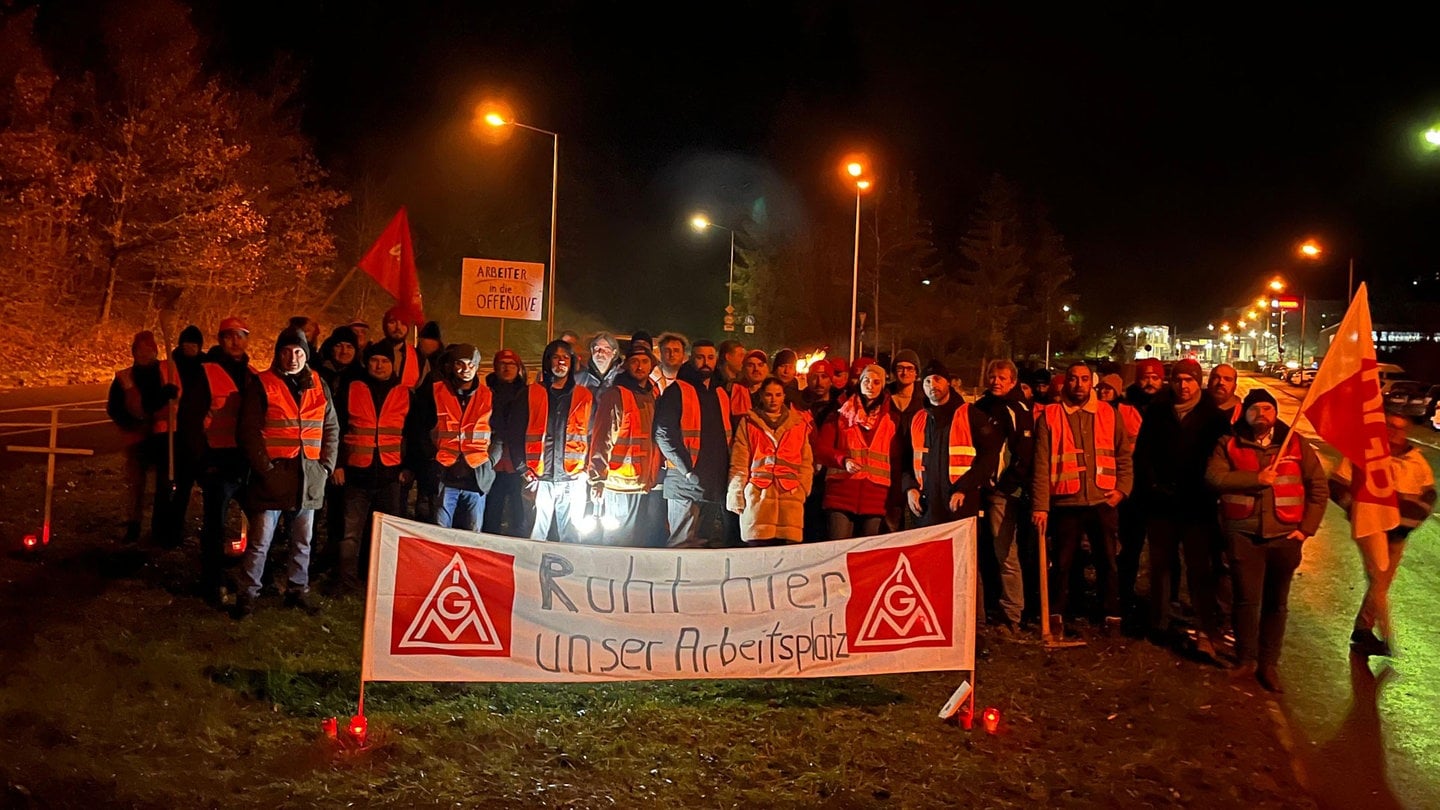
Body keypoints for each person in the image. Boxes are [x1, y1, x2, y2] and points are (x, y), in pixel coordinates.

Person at [1205, 388, 1327, 692]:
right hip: (1243, 533)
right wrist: (1255, 479)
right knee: (1246, 600)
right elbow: (1214, 479)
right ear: (1244, 413)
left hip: (1286, 535)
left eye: (1268, 409)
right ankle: (1246, 660)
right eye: (1255, 408)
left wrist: (1306, 529)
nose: (1262, 413)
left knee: (1277, 603)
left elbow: (1318, 489)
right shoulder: (1228, 443)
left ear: (1276, 414)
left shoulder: (1295, 445)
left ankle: (1269, 664)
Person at [234, 328, 339, 619]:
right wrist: (266, 469)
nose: (293, 358)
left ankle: (297, 589)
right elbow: (249, 432)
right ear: (278, 353)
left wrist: (326, 465)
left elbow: (331, 427)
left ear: (306, 355)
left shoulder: (319, 383)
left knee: (303, 541)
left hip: (309, 475)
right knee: (260, 542)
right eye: (287, 351)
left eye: (299, 352)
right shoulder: (263, 383)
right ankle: (248, 595)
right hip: (274, 477)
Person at [1134, 357, 1232, 658]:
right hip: (1162, 503)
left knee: (1199, 570)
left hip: (1197, 506)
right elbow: (1144, 453)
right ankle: (1159, 623)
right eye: (1178, 380)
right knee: (1161, 567)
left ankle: (1205, 628)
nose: (1183, 386)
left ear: (1197, 382)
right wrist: (1153, 485)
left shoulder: (1213, 417)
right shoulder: (1158, 412)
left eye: (1189, 380)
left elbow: (1221, 458)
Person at [1031, 362, 1134, 638]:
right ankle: (1056, 615)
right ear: (1066, 383)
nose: (1079, 384)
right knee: (1062, 564)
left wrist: (1122, 490)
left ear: (1092, 383)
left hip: (1103, 501)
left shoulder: (1109, 414)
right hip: (1066, 502)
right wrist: (1041, 505)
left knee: (1108, 561)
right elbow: (1041, 464)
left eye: (1084, 379)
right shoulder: (1050, 415)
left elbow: (1123, 455)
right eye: (1074, 379)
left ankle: (1111, 615)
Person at [1332, 408, 1436, 658]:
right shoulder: (1365, 454)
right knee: (1378, 579)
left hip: (1399, 533)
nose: (1393, 432)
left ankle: (1363, 629)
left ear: (1406, 430)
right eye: (1389, 425)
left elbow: (1429, 495)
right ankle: (1388, 637)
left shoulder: (1415, 461)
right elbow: (1337, 484)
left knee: (1383, 582)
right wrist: (1358, 510)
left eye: (1399, 427)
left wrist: (1407, 524)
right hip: (1371, 529)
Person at [332, 342, 412, 594]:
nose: (379, 365)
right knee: (350, 534)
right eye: (375, 360)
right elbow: (338, 428)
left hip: (390, 476)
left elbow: (411, 433)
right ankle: (346, 582)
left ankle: (384, 582)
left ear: (393, 364)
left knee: (388, 534)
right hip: (356, 474)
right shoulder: (351, 388)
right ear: (367, 363)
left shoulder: (405, 393)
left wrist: (408, 468)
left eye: (385, 361)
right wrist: (338, 465)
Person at [194, 317, 257, 606]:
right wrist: (202, 462)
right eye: (229, 336)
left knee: (259, 521)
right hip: (217, 461)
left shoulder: (253, 375)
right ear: (220, 340)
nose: (235, 341)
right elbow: (192, 421)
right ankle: (212, 580)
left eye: (240, 336)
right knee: (215, 526)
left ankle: (250, 576)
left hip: (246, 461)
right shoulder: (204, 372)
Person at [405, 344, 499, 530]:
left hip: (476, 477)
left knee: (472, 537)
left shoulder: (488, 395)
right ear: (452, 365)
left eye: (471, 365)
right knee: (441, 535)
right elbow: (419, 428)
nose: (466, 370)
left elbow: (500, 435)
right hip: (445, 476)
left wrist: (491, 460)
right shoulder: (435, 392)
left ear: (478, 366)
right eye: (460, 364)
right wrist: (432, 456)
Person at [900, 361, 1001, 527]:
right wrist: (910, 489)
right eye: (927, 381)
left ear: (948, 382)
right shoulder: (916, 419)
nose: (932, 385)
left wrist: (964, 488)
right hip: (926, 507)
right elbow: (905, 461)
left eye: (937, 379)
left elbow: (989, 456)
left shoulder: (970, 415)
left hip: (961, 504)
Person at [976, 359, 1035, 635]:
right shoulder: (979, 407)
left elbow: (1023, 454)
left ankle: (1013, 613)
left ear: (1012, 381)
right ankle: (980, 610)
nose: (996, 381)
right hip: (977, 491)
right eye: (992, 376)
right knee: (979, 553)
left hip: (1002, 494)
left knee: (1005, 554)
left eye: (1002, 377)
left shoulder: (1018, 410)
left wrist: (1006, 486)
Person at [654, 339, 732, 548]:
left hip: (712, 483)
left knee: (703, 546)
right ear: (690, 359)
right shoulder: (677, 390)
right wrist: (687, 470)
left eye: (710, 357)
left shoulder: (721, 394)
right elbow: (663, 433)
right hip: (684, 482)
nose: (705, 362)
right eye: (700, 357)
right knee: (682, 545)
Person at [588, 339, 664, 545]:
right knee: (618, 543)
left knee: (639, 543)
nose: (640, 366)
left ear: (652, 365)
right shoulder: (616, 395)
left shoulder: (653, 393)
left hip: (645, 482)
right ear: (626, 365)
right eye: (634, 362)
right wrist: (597, 479)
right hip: (618, 486)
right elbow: (601, 439)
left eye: (644, 361)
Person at [522, 340, 593, 543]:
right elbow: (517, 432)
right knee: (535, 534)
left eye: (565, 357)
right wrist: (523, 468)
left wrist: (587, 469)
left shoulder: (584, 396)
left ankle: (569, 574)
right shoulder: (532, 392)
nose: (560, 362)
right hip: (539, 477)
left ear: (572, 362)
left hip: (572, 477)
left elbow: (591, 435)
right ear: (547, 361)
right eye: (555, 357)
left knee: (571, 535)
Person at [728, 377, 815, 545]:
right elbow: (739, 462)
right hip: (758, 498)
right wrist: (737, 494)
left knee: (786, 561)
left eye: (778, 394)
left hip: (790, 499)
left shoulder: (798, 424)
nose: (773, 399)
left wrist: (802, 489)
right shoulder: (749, 423)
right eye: (769, 394)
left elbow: (806, 461)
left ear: (784, 396)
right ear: (761, 395)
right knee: (757, 556)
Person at [107, 330, 175, 544]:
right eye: (139, 350)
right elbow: (114, 407)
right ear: (133, 352)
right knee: (135, 486)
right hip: (136, 438)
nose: (144, 354)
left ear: (155, 351)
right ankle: (133, 525)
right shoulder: (125, 377)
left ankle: (160, 527)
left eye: (148, 350)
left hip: (161, 438)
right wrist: (130, 423)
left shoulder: (164, 374)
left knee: (162, 486)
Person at [816, 363, 898, 539]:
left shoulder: (891, 418)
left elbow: (896, 458)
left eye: (876, 382)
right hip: (840, 493)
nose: (870, 385)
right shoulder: (840, 412)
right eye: (866, 380)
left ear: (883, 386)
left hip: (875, 497)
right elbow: (821, 449)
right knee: (838, 551)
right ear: (859, 383)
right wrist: (843, 460)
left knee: (865, 559)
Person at [482, 348, 533, 537]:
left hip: (517, 462)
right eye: (502, 364)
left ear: (518, 367)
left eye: (511, 364)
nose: (507, 368)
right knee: (492, 508)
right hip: (494, 461)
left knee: (518, 510)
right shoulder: (486, 392)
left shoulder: (526, 393)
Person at [887, 349, 924, 530]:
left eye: (910, 369)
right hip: (888, 464)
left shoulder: (924, 398)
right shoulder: (884, 397)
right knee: (891, 519)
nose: (905, 373)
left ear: (916, 372)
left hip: (915, 466)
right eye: (900, 368)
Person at [372, 306, 425, 390]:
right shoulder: (370, 352)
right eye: (392, 322)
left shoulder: (419, 357)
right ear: (385, 325)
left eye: (403, 323)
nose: (398, 327)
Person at [574, 331, 622, 398]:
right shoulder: (578, 379)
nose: (600, 353)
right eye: (597, 348)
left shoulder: (622, 378)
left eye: (606, 349)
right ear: (592, 350)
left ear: (614, 353)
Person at [317, 326, 361, 392]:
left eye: (349, 347)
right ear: (331, 349)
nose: (344, 351)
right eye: (339, 346)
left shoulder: (361, 377)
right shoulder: (317, 373)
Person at [731, 349, 769, 416]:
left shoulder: (777, 390)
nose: (756, 369)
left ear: (767, 368)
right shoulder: (733, 391)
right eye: (751, 365)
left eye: (760, 365)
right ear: (743, 369)